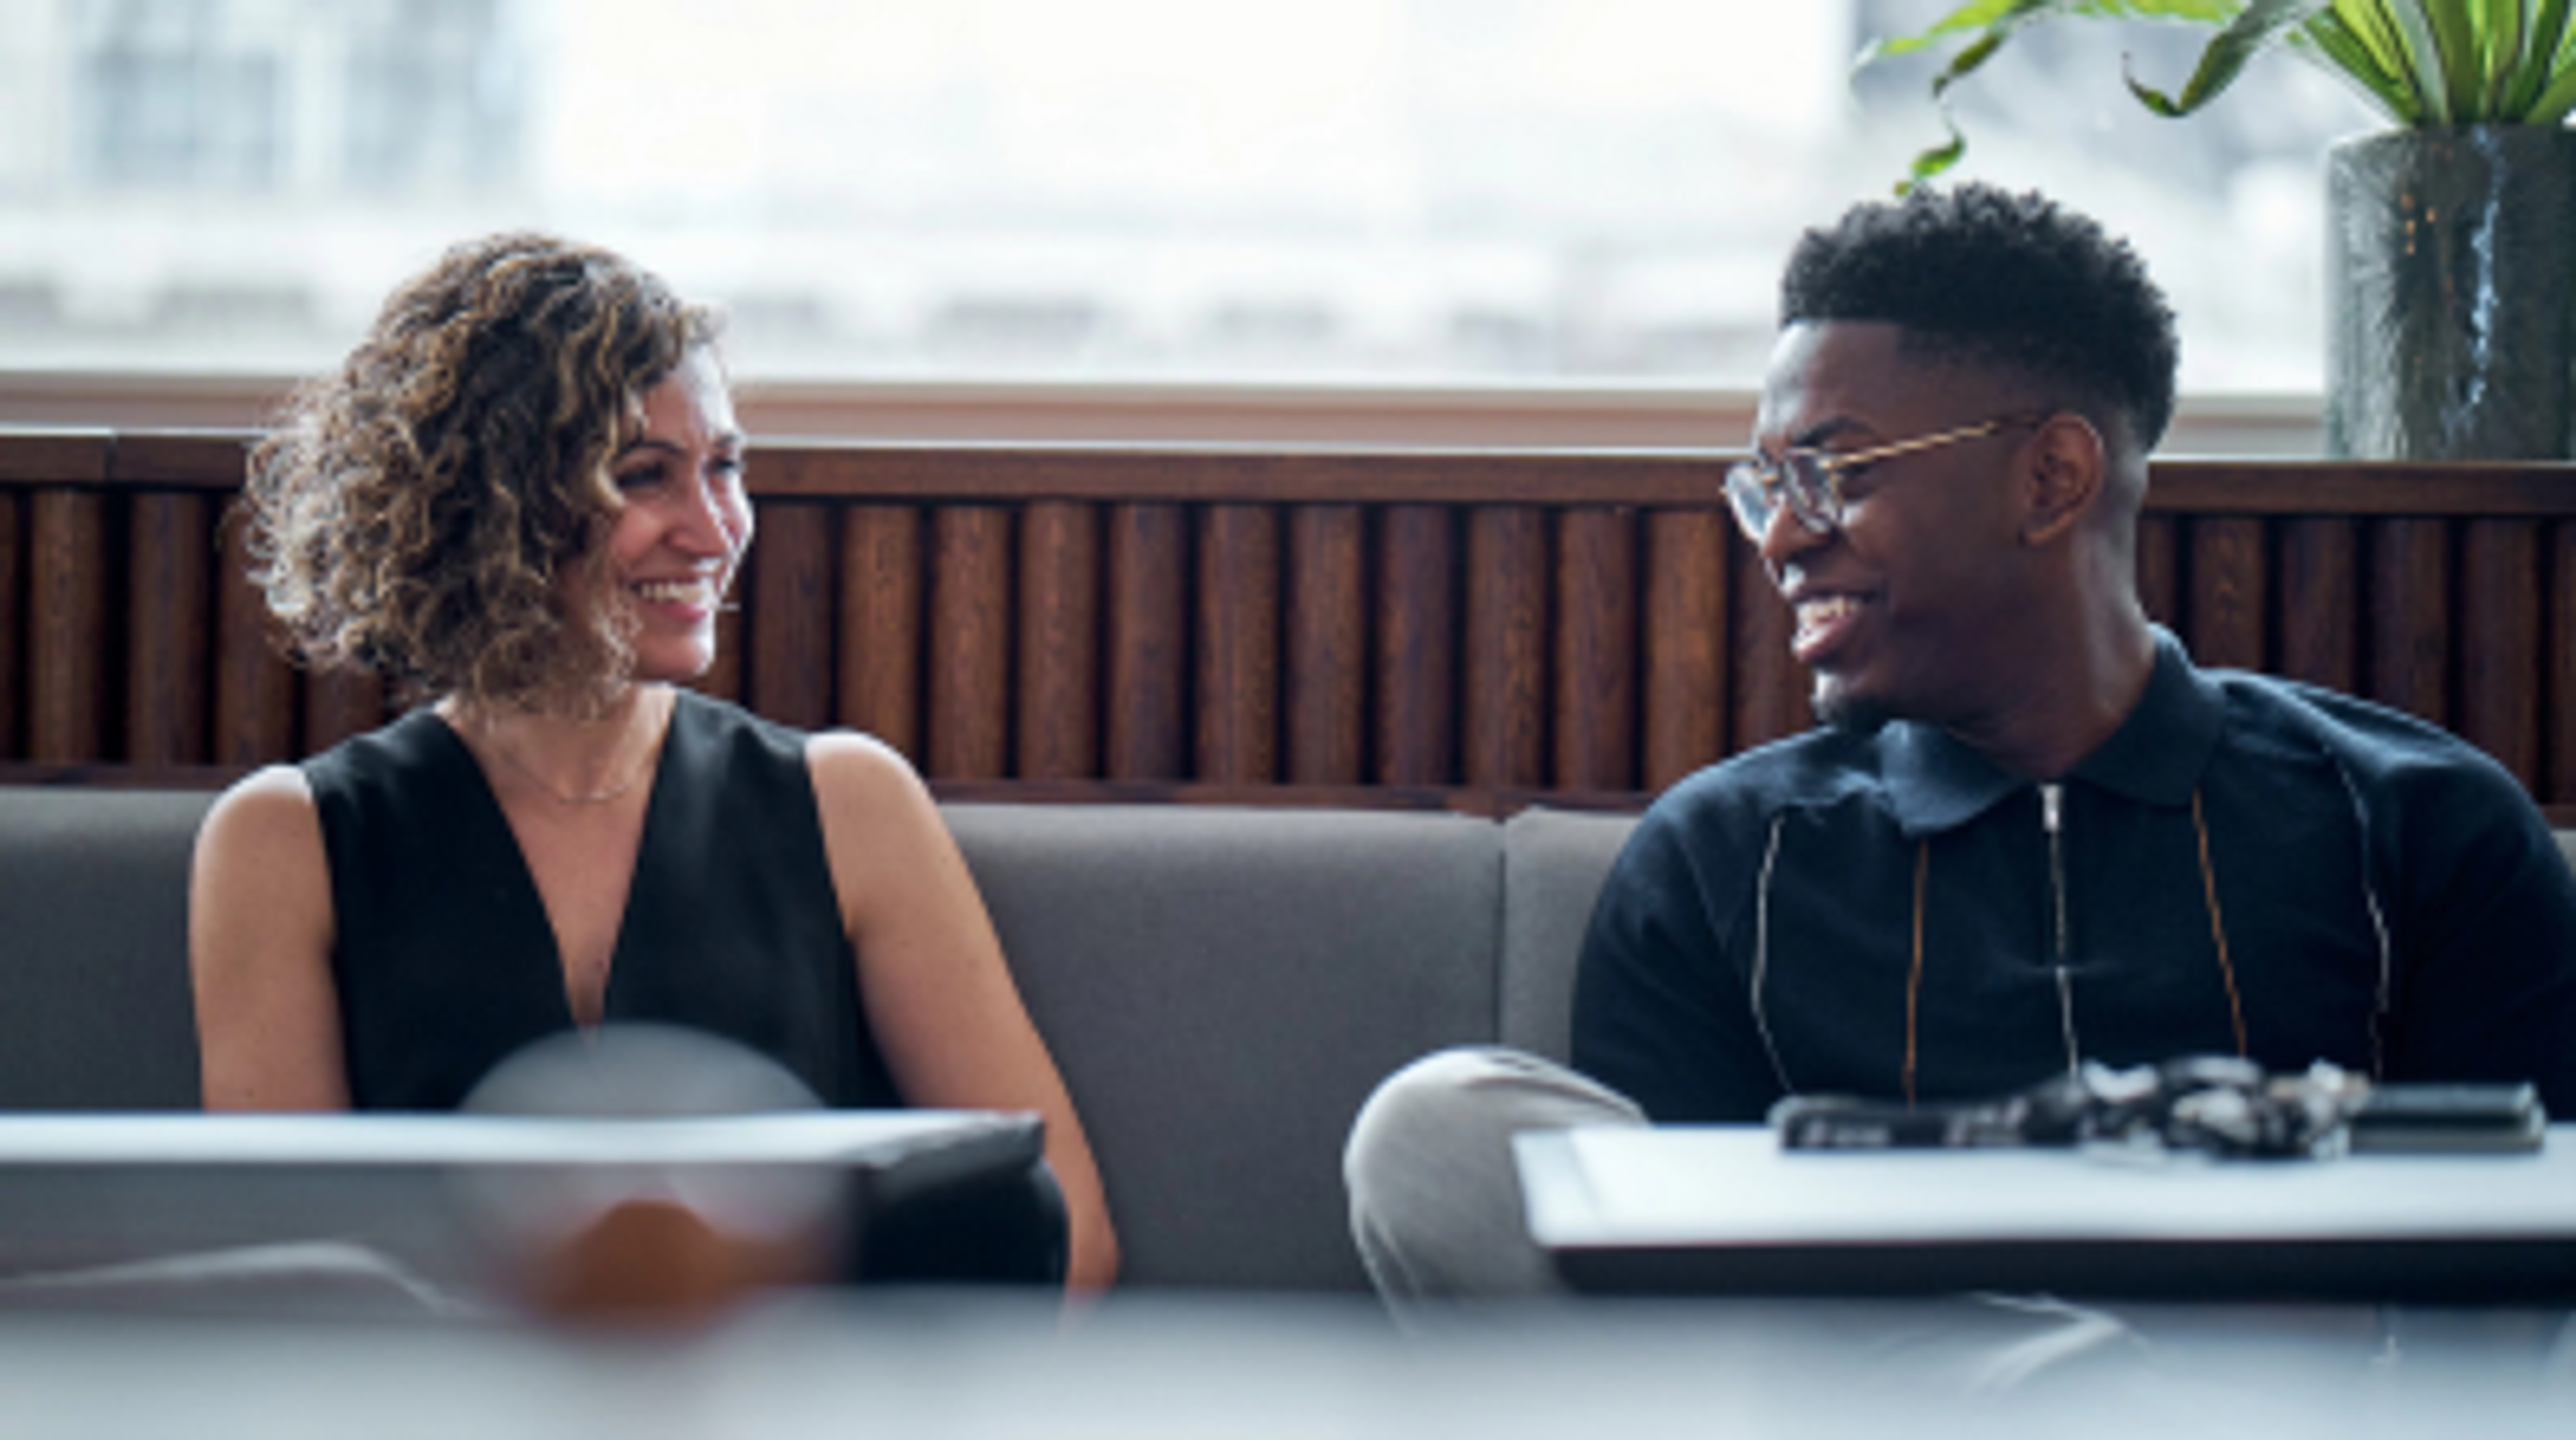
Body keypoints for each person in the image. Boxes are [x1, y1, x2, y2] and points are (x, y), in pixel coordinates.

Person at [1344, 183, 2576, 1300]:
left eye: (1830, 474)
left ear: (2051, 479)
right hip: (1867, 1420)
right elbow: (1682, 1336)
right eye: (1765, 489)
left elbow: (2521, 1283)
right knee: (1440, 1130)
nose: (1779, 541)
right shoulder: (1720, 864)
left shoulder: (2420, 826)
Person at [189, 232, 1117, 1292]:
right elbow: (292, 1289)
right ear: (489, 508)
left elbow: (1068, 1232)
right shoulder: (284, 840)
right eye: (645, 477)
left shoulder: (848, 803)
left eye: (725, 466)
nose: (714, 530)